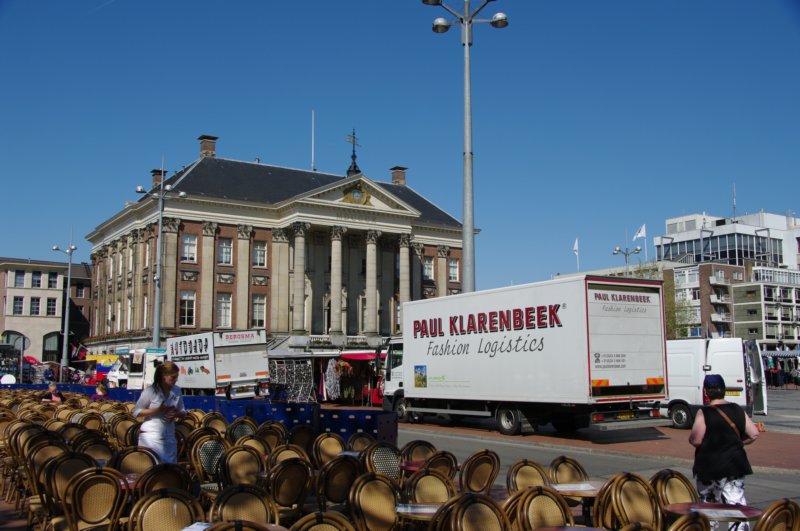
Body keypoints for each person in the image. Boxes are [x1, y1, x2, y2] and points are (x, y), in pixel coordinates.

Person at [689, 374, 760, 529]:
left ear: (707, 392)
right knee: (736, 509)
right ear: (724, 390)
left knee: (709, 510)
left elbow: (696, 440)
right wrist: (738, 443)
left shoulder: (704, 413)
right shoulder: (736, 409)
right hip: (734, 466)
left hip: (708, 468)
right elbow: (754, 433)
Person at [132, 361, 186, 464]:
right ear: (163, 376)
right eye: (173, 377)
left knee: (169, 471)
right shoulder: (150, 391)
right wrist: (158, 410)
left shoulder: (177, 390)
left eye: (176, 377)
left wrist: (176, 414)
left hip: (169, 435)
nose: (175, 380)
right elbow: (136, 412)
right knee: (152, 469)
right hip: (151, 436)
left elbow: (183, 411)